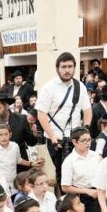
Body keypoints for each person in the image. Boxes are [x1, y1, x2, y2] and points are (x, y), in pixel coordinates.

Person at [36, 52, 93, 185]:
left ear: (74, 68)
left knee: (78, 173)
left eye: (70, 66)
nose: (67, 70)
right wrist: (53, 137)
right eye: (64, 67)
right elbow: (41, 114)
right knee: (61, 175)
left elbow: (87, 111)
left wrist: (85, 131)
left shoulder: (80, 86)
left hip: (76, 137)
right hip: (55, 138)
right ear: (57, 69)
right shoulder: (48, 87)